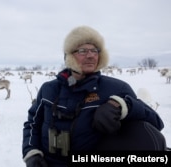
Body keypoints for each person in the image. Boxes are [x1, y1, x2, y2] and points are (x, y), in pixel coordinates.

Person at [22, 26, 166, 167]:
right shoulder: (48, 89)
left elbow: (155, 123)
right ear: (69, 55)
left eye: (94, 50)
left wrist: (123, 106)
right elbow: (33, 123)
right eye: (83, 51)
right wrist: (31, 152)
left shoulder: (117, 88)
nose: (90, 55)